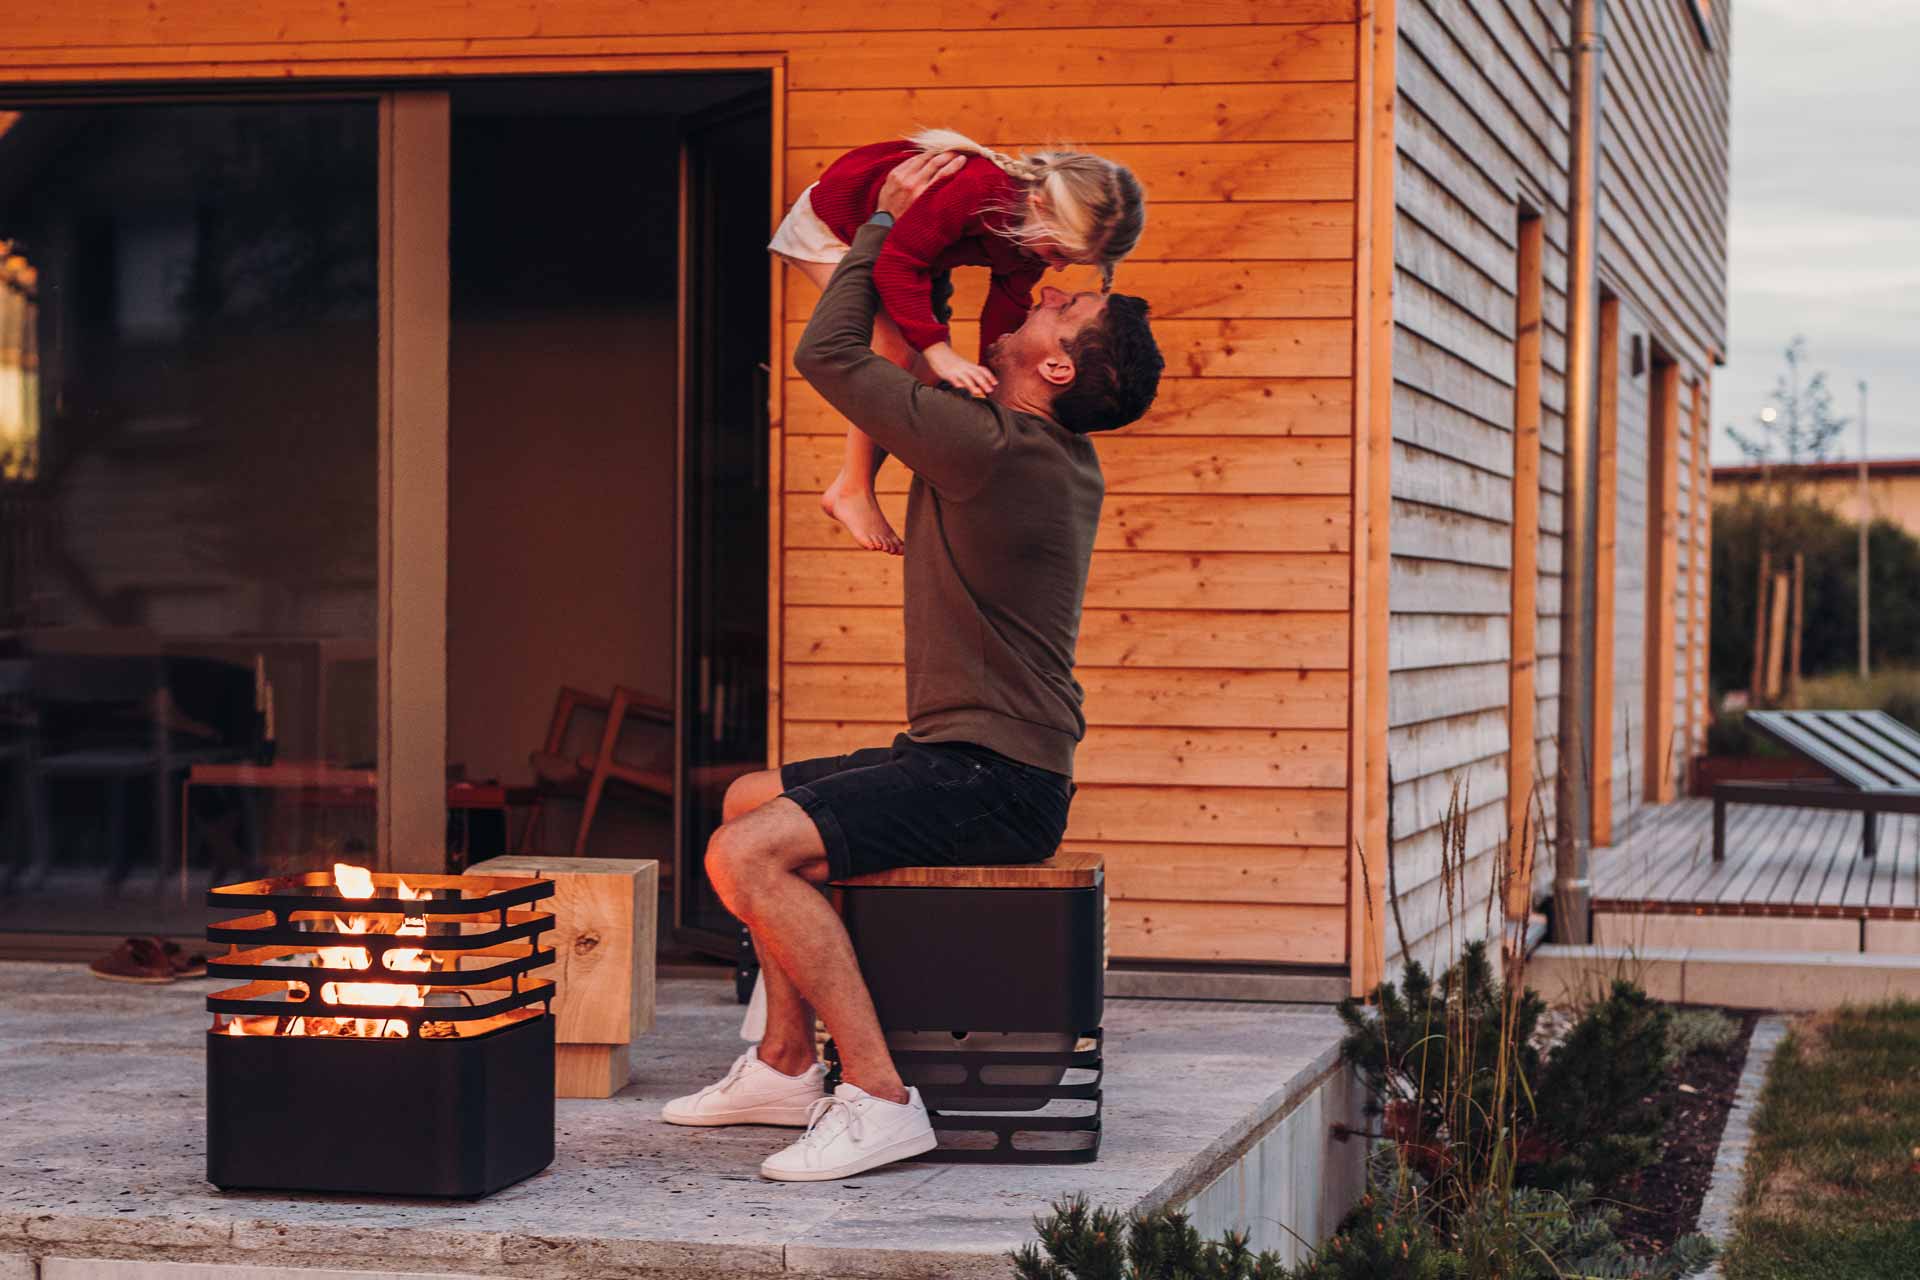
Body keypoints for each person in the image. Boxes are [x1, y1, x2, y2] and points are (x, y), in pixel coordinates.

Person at [663, 150, 1164, 1182]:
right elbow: (904, 349)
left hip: (992, 777)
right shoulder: (1025, 443)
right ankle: (784, 1063)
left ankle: (880, 1097)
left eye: (1065, 309)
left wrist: (883, 226)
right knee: (752, 799)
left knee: (743, 857)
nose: (1048, 291)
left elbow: (829, 353)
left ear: (1055, 370)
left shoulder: (988, 446)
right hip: (973, 760)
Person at [768, 129, 1145, 555]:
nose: (1057, 269)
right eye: (1059, 253)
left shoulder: (1030, 242)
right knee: (898, 350)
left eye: (1070, 262)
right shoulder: (976, 190)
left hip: (906, 247)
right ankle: (852, 488)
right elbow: (897, 264)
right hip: (836, 227)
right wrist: (936, 348)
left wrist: (999, 395)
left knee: (929, 372)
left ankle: (852, 484)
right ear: (1040, 206)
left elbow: (1006, 311)